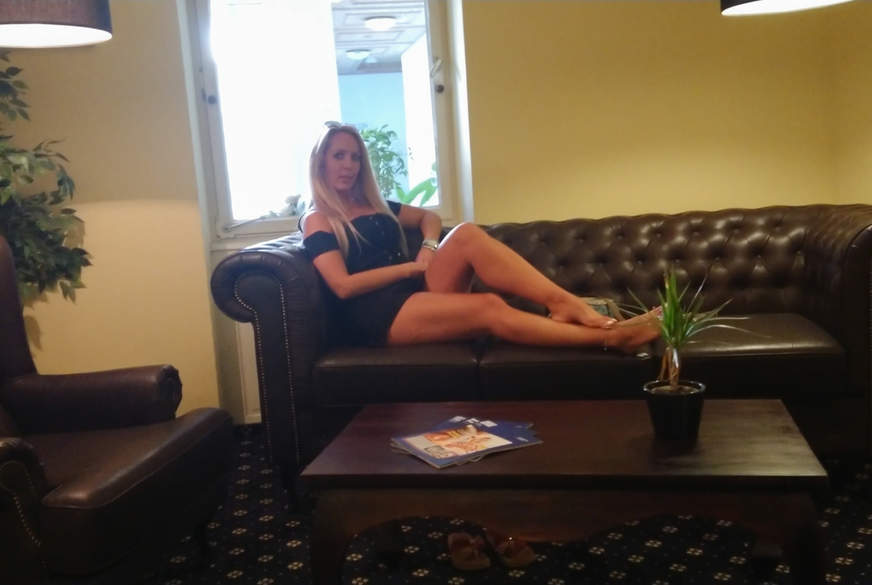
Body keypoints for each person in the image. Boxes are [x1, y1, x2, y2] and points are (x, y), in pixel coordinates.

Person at [300, 122, 660, 351]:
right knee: (487, 306)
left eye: (355, 157)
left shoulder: (375, 205)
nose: (348, 165)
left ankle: (565, 303)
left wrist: (428, 246)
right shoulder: (318, 220)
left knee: (467, 234)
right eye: (339, 156)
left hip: (413, 294)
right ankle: (612, 337)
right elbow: (342, 286)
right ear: (321, 162)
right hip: (376, 315)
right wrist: (409, 269)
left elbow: (429, 217)